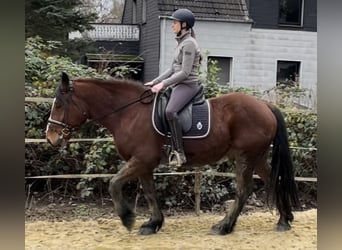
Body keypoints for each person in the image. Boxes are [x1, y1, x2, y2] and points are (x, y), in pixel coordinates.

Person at [145, 8, 202, 167]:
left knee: (170, 111)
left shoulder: (189, 43)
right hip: (177, 84)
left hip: (187, 85)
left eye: (175, 22)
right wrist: (155, 81)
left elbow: (184, 73)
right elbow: (172, 69)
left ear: (184, 25)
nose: (172, 25)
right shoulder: (181, 43)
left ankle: (179, 152)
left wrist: (163, 84)